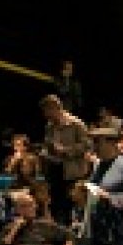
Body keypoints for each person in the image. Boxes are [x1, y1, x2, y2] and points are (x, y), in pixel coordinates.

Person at [39, 93, 92, 221]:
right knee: (57, 205)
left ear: (55, 108)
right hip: (55, 170)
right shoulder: (49, 126)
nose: (46, 115)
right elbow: (47, 144)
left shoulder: (76, 124)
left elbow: (88, 145)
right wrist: (45, 152)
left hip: (73, 172)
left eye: (47, 111)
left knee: (72, 205)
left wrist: (66, 151)